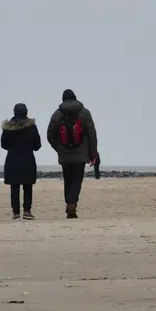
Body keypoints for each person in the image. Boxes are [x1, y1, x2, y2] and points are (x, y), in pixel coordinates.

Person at [46, 89, 98, 219]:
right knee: (77, 179)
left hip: (64, 154)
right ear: (75, 98)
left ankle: (69, 202)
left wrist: (59, 148)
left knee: (68, 179)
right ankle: (72, 203)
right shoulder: (84, 113)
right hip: (81, 154)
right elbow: (92, 134)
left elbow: (50, 135)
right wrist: (93, 153)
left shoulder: (57, 114)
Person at [0, 103, 41, 220]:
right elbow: (37, 145)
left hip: (12, 159)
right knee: (28, 186)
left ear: (14, 112)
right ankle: (27, 211)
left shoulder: (8, 127)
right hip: (28, 159)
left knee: (14, 187)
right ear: (26, 112)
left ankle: (16, 212)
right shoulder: (32, 127)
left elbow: (3, 144)